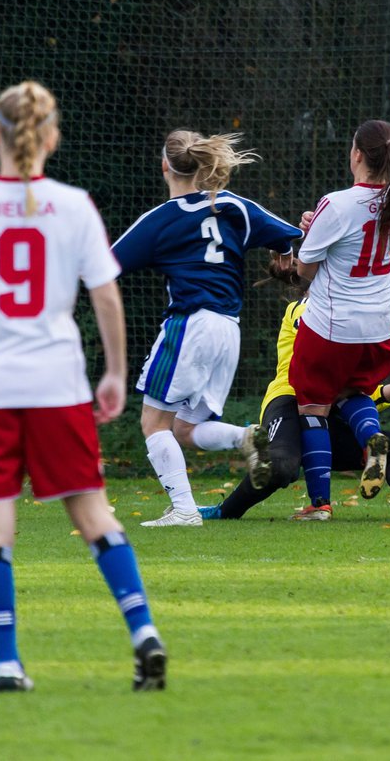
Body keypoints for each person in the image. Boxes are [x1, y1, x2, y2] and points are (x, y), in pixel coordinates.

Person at [0, 81, 166, 693]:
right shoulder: (73, 205)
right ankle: (144, 631)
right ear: (52, 137)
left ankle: (8, 664)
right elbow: (104, 294)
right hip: (57, 383)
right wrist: (116, 373)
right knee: (94, 514)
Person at [112, 129, 302, 527]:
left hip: (191, 326)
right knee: (184, 427)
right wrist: (283, 255)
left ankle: (183, 510)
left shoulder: (160, 220)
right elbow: (290, 234)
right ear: (202, 163)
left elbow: (106, 264)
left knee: (153, 422)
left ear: (165, 165)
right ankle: (245, 437)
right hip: (228, 330)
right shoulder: (233, 207)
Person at [200, 271, 390, 522]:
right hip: (290, 401)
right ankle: (227, 511)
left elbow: (369, 394)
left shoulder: (345, 317)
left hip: (329, 407)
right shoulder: (304, 307)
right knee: (280, 465)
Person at [289, 119, 390, 515]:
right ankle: (372, 436)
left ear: (357, 153)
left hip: (333, 326)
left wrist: (313, 232)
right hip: (381, 327)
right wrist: (317, 226)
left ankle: (319, 505)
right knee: (354, 394)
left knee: (313, 406)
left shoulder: (337, 202)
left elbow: (305, 269)